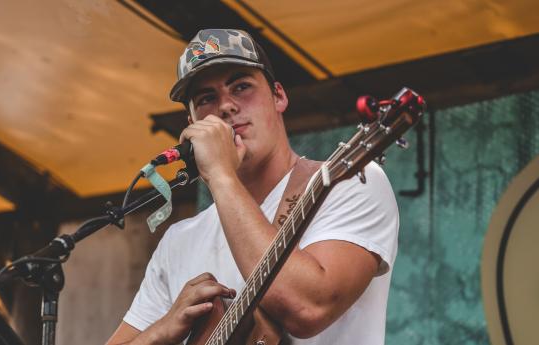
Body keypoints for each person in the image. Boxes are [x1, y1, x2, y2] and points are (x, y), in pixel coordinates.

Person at [106, 29, 398, 345]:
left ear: (278, 96)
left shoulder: (349, 182)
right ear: (191, 125)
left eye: (241, 86)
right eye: (206, 98)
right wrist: (163, 329)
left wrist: (220, 174)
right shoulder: (178, 240)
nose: (227, 106)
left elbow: (307, 308)